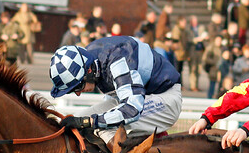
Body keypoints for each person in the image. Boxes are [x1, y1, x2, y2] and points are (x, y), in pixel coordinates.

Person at [48, 37, 182, 143]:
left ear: (88, 71)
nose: (77, 94)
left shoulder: (116, 61)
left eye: (77, 86)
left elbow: (132, 110)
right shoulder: (90, 58)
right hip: (142, 96)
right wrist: (83, 121)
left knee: (103, 127)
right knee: (77, 119)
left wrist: (89, 121)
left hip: (165, 99)